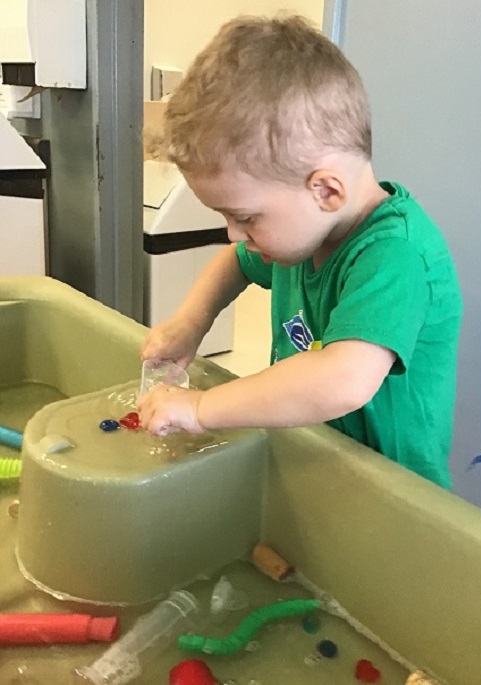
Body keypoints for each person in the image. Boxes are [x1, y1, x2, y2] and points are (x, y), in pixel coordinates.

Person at [137, 15, 462, 488]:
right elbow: (233, 264)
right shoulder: (300, 235)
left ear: (326, 191)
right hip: (316, 462)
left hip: (393, 496)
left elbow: (341, 380)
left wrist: (202, 408)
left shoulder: (397, 256)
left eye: (246, 217)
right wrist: (191, 323)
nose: (233, 234)